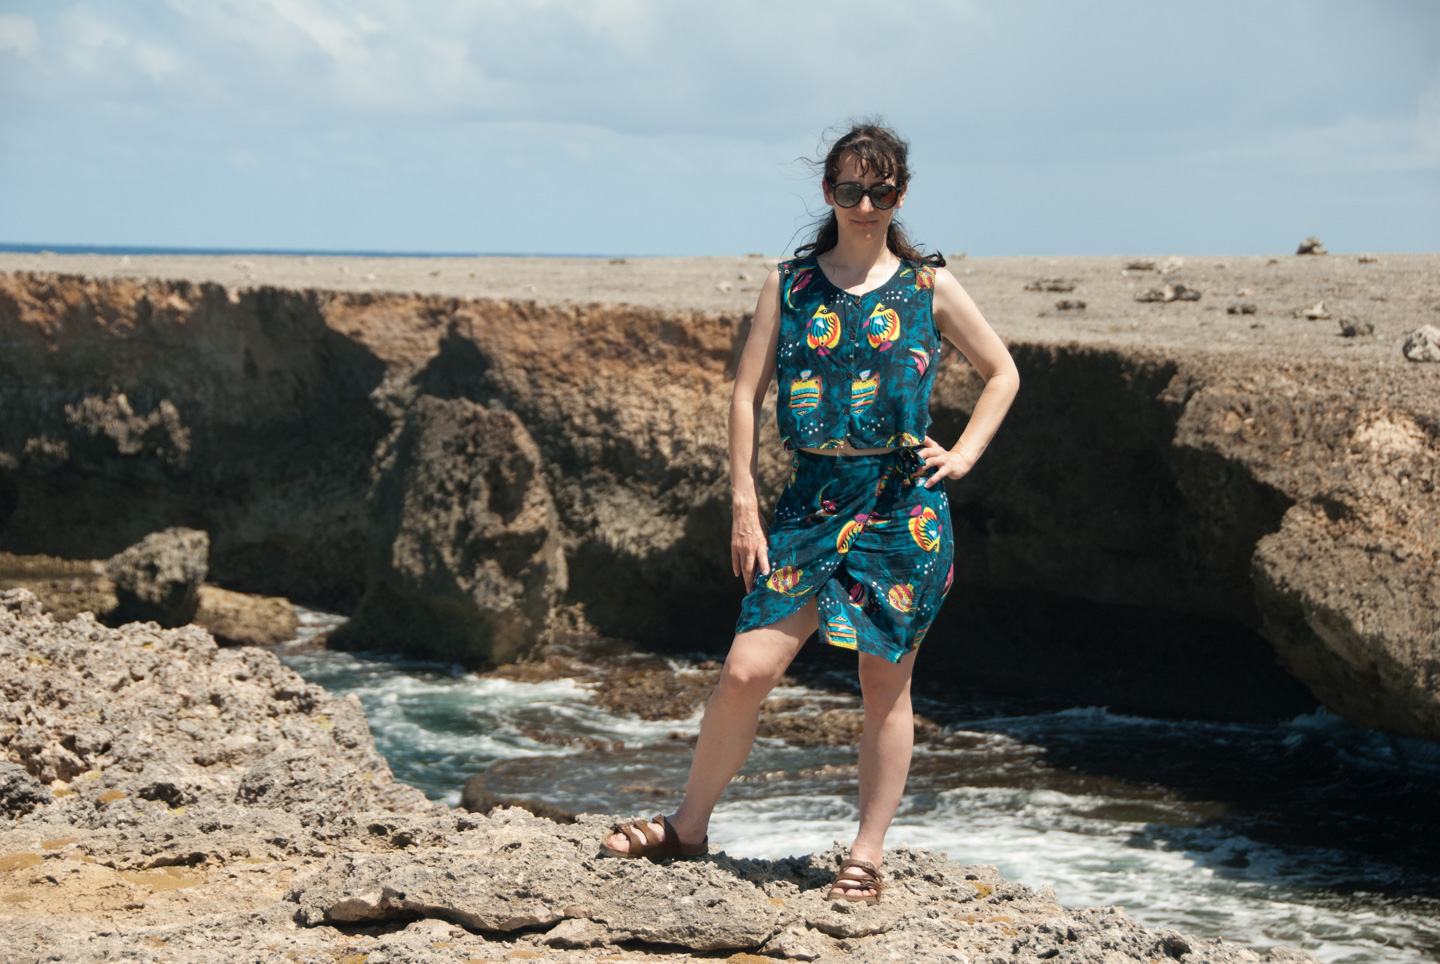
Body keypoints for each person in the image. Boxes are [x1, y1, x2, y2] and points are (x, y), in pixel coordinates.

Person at [599, 122, 1020, 903]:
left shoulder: (929, 285)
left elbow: (1002, 373)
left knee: (883, 683)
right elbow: (743, 396)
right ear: (828, 193)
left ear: (901, 194)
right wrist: (743, 503)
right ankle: (689, 828)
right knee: (745, 670)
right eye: (852, 189)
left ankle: (865, 854)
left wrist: (961, 455)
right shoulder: (789, 284)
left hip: (902, 509)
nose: (867, 203)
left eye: (883, 189)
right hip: (806, 502)